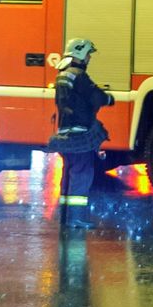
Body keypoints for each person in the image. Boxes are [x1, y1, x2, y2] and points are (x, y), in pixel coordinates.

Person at [47, 37, 112, 230]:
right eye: (88, 54)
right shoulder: (79, 75)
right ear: (80, 53)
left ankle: (66, 216)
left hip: (65, 133)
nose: (89, 58)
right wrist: (108, 98)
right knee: (82, 173)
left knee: (68, 173)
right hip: (80, 135)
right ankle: (76, 218)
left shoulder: (63, 75)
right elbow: (95, 97)